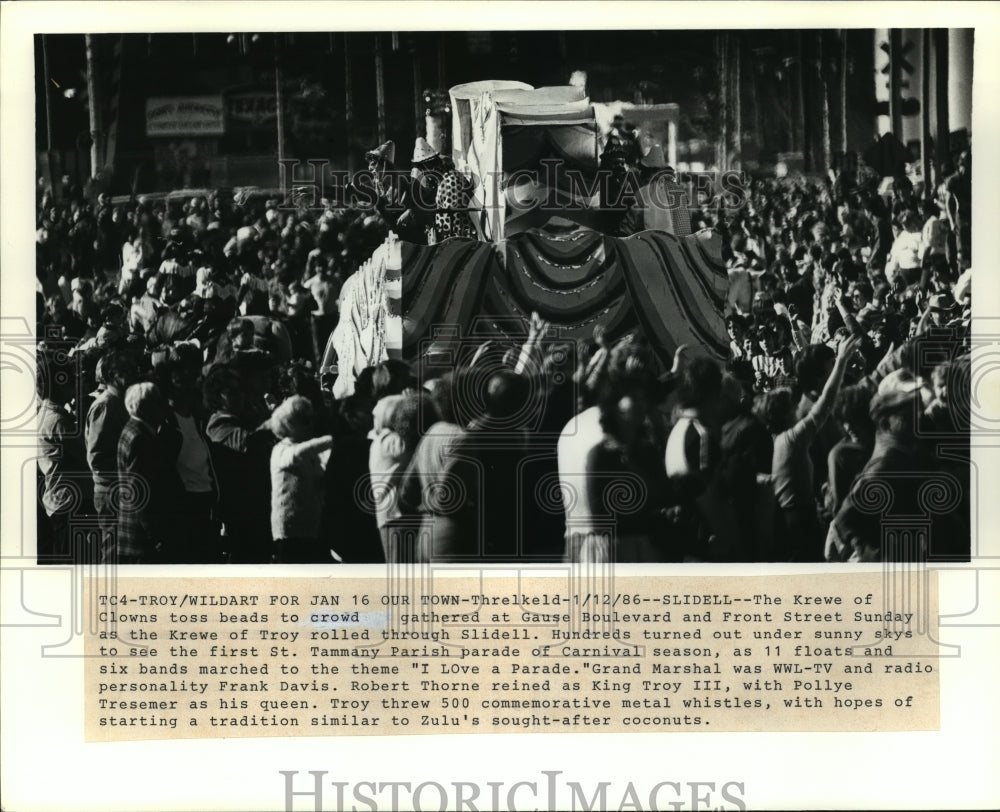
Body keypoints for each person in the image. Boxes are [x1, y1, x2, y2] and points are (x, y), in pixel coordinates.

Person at [754, 334, 861, 561]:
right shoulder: (796, 430)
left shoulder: (785, 436)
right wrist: (841, 361)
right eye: (830, 366)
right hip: (812, 515)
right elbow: (825, 406)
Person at [114, 382, 183, 564]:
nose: (165, 407)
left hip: (136, 532)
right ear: (145, 408)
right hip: (142, 537)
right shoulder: (141, 438)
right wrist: (155, 533)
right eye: (159, 403)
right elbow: (139, 491)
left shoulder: (134, 430)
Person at [269, 395, 335, 563]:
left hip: (312, 526)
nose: (310, 423)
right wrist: (333, 440)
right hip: (289, 530)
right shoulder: (281, 449)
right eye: (304, 420)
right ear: (289, 423)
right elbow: (297, 455)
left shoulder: (311, 451)